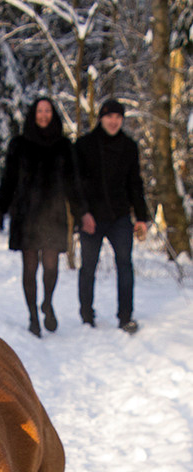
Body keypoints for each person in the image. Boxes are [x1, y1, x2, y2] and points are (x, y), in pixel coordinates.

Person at [0, 96, 85, 337]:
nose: (44, 115)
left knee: (51, 267)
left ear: (53, 115)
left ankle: (47, 302)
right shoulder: (19, 145)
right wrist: (0, 207)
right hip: (27, 215)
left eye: (48, 111)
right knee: (30, 268)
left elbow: (73, 183)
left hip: (54, 215)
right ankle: (33, 315)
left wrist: (79, 213)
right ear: (33, 115)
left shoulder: (65, 146)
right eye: (39, 111)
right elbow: (9, 179)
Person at [75, 98, 148, 334]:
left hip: (119, 219)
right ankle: (87, 316)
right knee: (88, 267)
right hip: (91, 219)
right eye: (109, 116)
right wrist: (83, 214)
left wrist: (141, 217)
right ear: (101, 118)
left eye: (118, 117)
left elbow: (135, 184)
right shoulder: (84, 145)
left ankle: (125, 317)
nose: (114, 121)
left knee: (125, 266)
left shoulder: (129, 147)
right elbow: (75, 185)